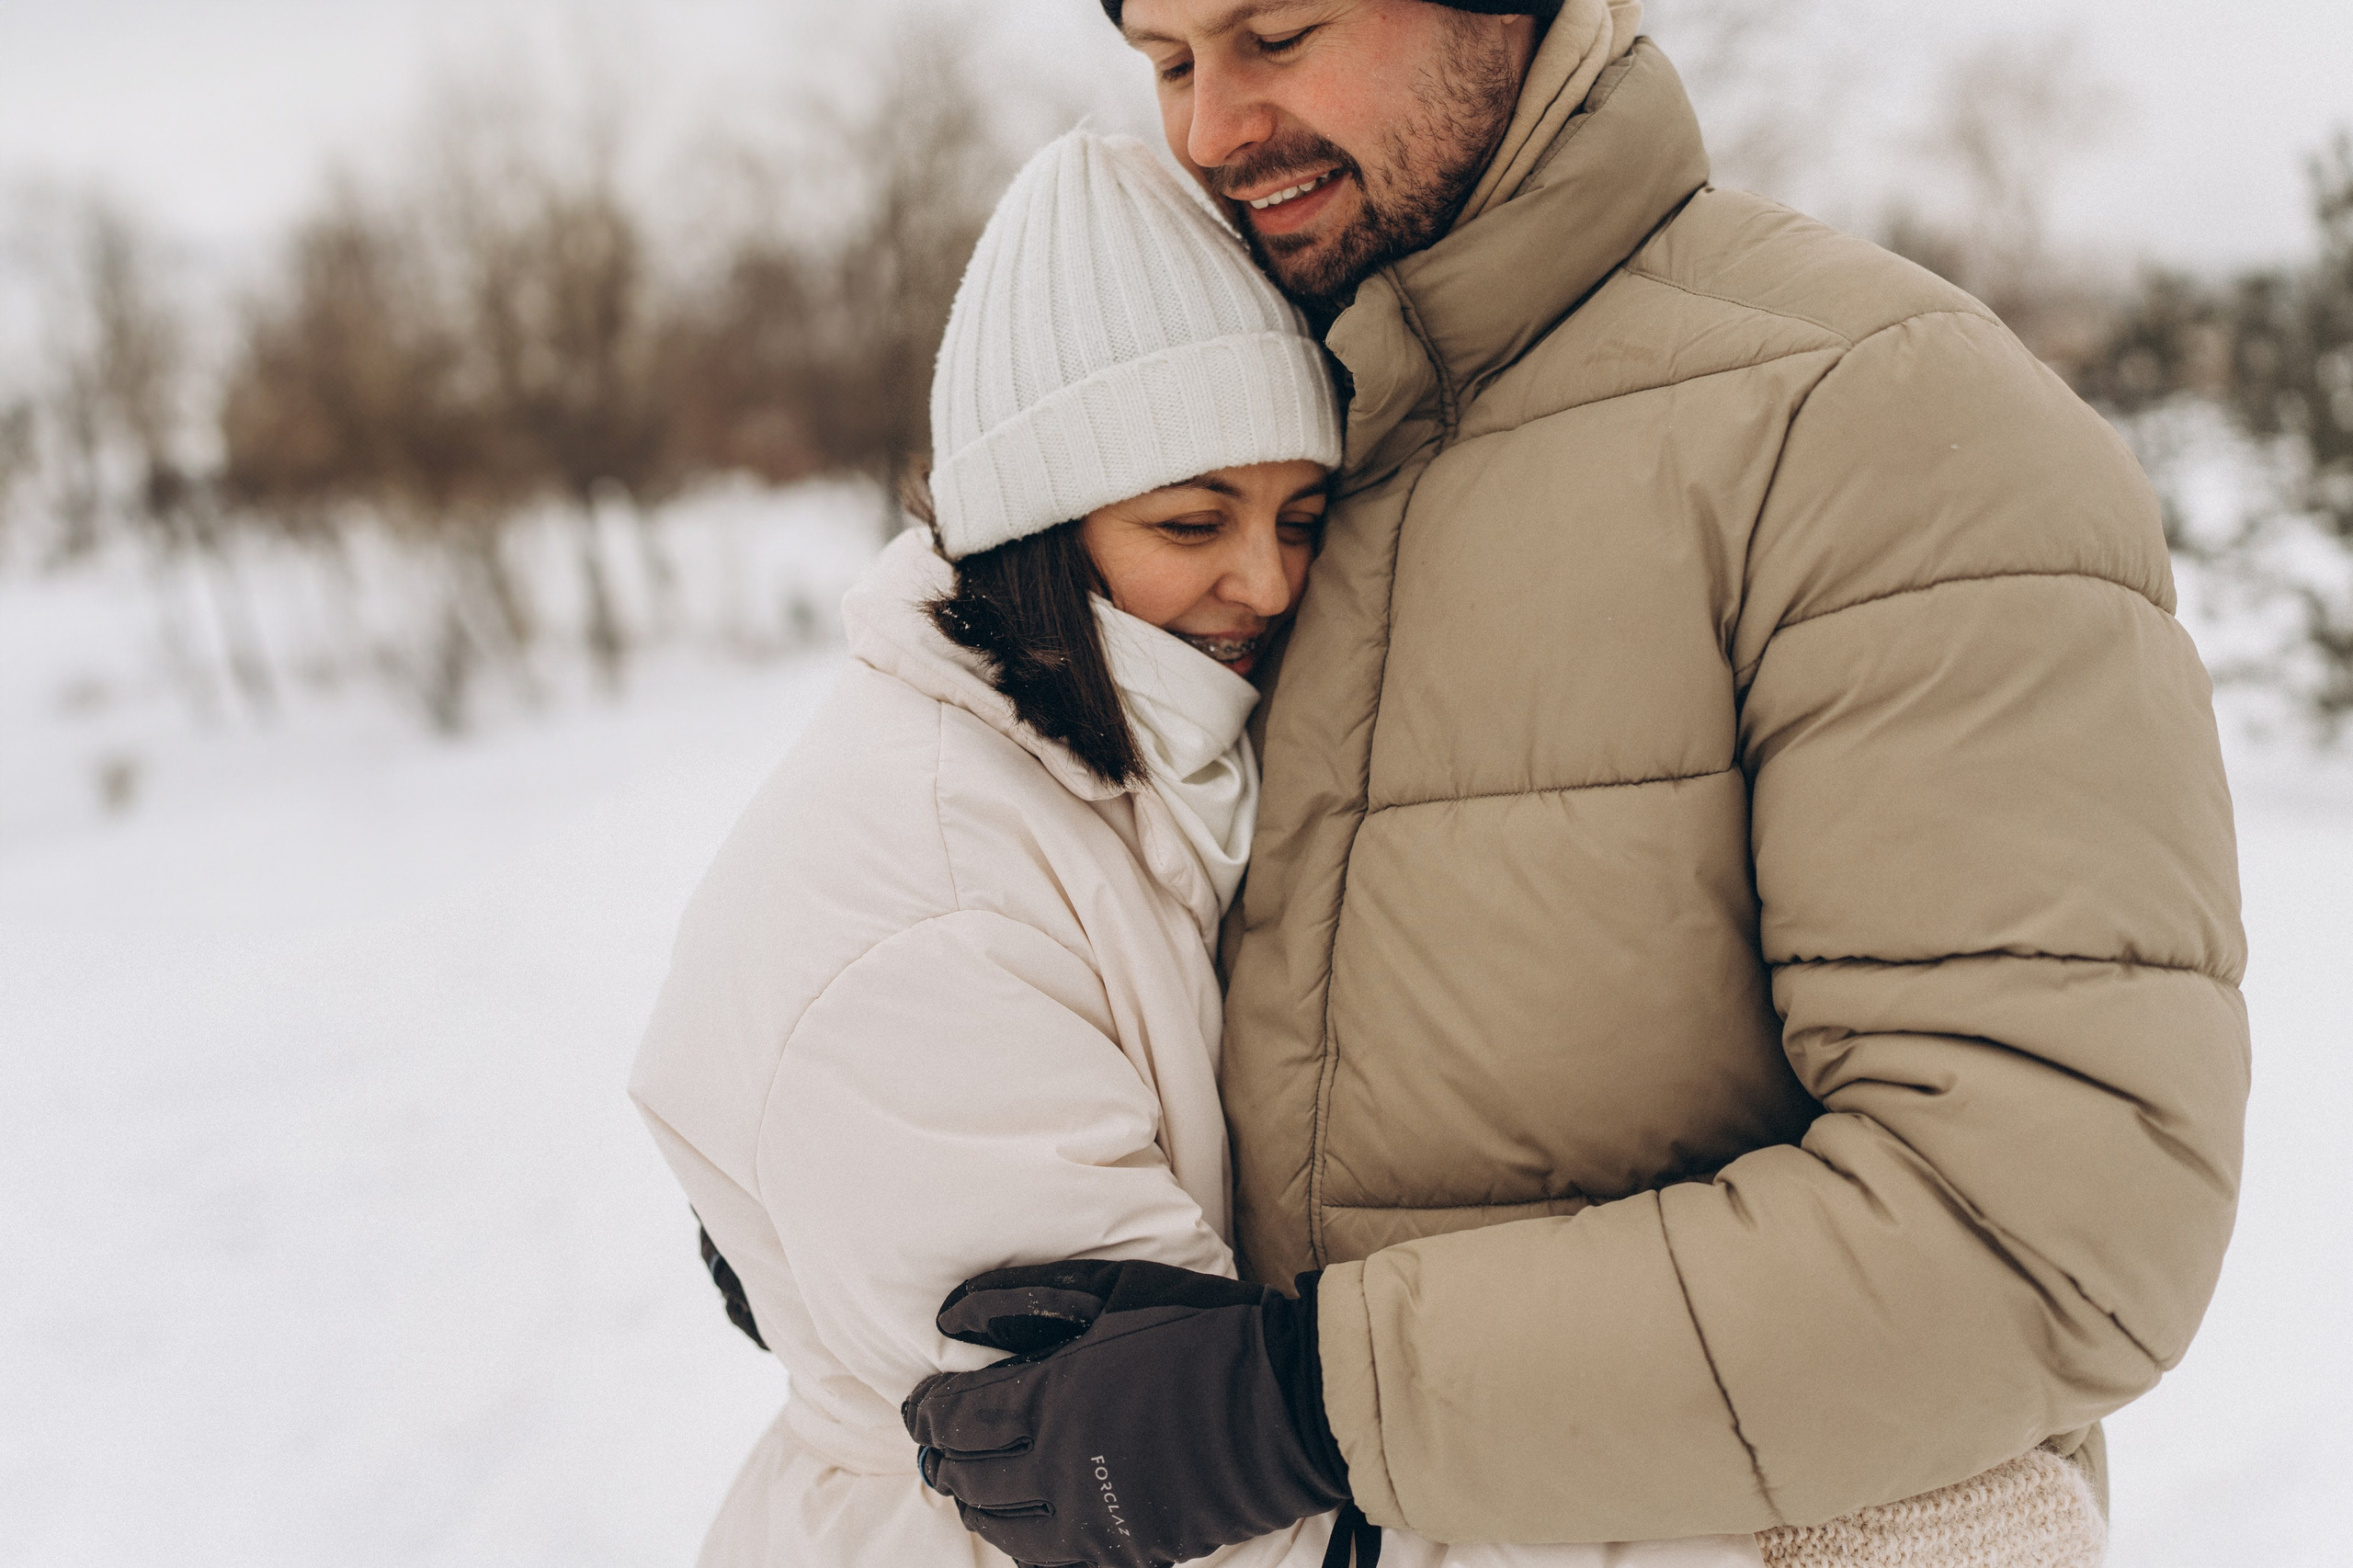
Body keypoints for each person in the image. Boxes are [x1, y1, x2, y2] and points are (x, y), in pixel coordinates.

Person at [903, 3, 2248, 1567]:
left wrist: (1302, 1407)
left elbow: (2042, 1229)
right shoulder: (1252, 464)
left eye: (1274, 30)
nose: (1210, 129)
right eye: (1171, 60)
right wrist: (869, 1165)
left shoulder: (1880, 422)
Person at [632, 130, 1762, 1568]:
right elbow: (1195, 1511)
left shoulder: (1147, 750)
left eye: (1298, 514)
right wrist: (1751, 1536)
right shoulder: (939, 916)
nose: (1268, 579)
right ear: (1032, 528)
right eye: (1191, 520)